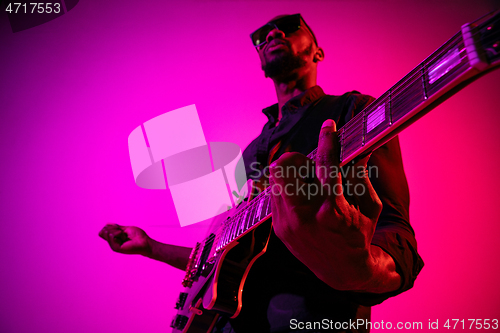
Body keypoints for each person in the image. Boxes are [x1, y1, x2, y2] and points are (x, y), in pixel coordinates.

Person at [99, 14, 424, 333]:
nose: (271, 36)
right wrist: (150, 247)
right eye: (262, 37)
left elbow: (395, 229)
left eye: (288, 28)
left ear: (317, 52)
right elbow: (217, 262)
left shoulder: (350, 112)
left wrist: (363, 270)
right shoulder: (251, 153)